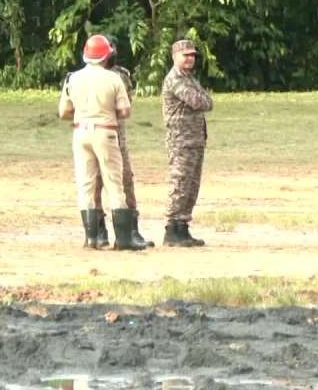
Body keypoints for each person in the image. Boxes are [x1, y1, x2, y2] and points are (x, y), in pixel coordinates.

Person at [59, 34, 146, 251]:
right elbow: (125, 111)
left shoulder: (72, 78)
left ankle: (92, 238)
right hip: (106, 131)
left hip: (80, 132)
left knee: (86, 184)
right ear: (107, 55)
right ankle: (124, 239)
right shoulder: (113, 78)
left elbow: (64, 112)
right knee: (114, 183)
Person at [89, 35, 152, 248]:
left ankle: (131, 230)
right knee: (95, 183)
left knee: (126, 182)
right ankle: (98, 230)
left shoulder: (121, 76)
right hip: (98, 132)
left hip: (116, 136)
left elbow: (124, 107)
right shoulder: (87, 76)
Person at [161, 39, 212, 248]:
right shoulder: (176, 79)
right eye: (186, 55)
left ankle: (182, 226)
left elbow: (207, 102)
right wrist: (204, 98)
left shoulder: (189, 78)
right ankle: (172, 229)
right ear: (175, 57)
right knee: (180, 183)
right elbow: (200, 102)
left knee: (191, 185)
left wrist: (205, 99)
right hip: (181, 140)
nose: (190, 58)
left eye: (192, 55)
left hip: (194, 139)